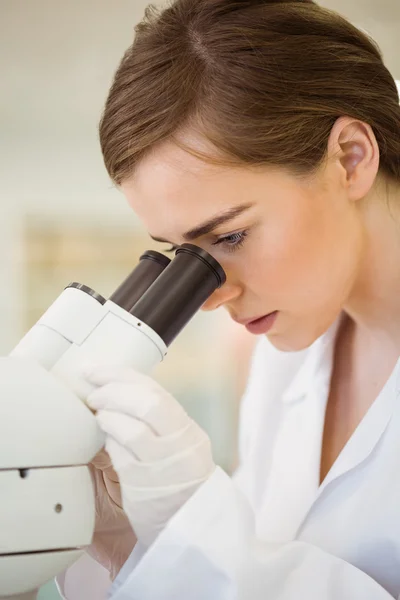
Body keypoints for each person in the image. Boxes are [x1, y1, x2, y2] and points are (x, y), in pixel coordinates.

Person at [57, 0, 400, 598]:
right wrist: (146, 545)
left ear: (350, 158)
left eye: (231, 236)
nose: (210, 296)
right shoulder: (285, 355)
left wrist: (202, 538)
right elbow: (264, 562)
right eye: (179, 254)